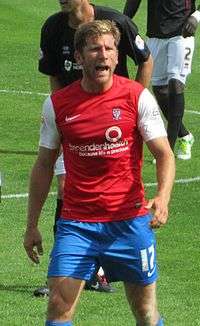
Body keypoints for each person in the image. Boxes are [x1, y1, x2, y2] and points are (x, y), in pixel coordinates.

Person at [24, 19, 175, 326]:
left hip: (130, 222)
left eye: (109, 49)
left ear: (117, 57)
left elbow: (164, 154)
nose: (103, 55)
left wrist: (162, 196)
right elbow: (43, 165)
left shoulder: (136, 97)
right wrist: (32, 225)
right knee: (57, 306)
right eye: (95, 49)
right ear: (79, 58)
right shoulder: (58, 105)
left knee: (145, 312)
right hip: (78, 224)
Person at [35, 0, 154, 295]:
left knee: (115, 191)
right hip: (74, 125)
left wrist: (136, 103)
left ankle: (99, 270)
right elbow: (53, 72)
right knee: (66, 189)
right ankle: (69, 271)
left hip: (114, 125)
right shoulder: (52, 26)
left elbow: (145, 58)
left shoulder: (115, 22)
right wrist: (61, 113)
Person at [123, 0, 200, 160]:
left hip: (182, 33)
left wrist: (196, 16)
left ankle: (168, 150)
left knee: (176, 84)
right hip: (156, 34)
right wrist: (122, 23)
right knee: (160, 90)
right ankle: (185, 135)